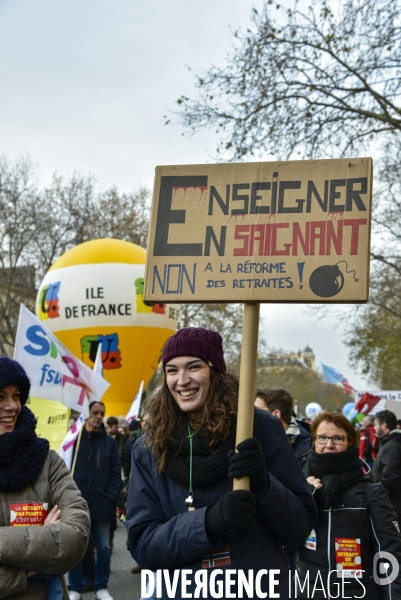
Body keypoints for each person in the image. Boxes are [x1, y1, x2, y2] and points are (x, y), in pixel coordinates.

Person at [126, 327, 317, 599]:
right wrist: (208, 522)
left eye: (193, 367)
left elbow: (299, 530)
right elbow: (143, 545)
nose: (182, 380)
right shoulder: (147, 447)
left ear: (215, 372)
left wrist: (264, 484)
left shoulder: (259, 428)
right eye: (171, 370)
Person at [0, 356, 90, 600]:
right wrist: (36, 561)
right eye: (1, 397)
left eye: (16, 395)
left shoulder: (47, 461)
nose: (11, 406)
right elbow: (58, 545)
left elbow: (75, 536)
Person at [298, 410, 401, 599]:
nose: (328, 445)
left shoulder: (371, 493)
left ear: (350, 443)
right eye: (322, 438)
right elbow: (286, 544)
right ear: (313, 440)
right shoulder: (301, 487)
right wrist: (306, 499)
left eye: (337, 438)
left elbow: (389, 555)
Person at [68, 401, 121, 600]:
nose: (99, 416)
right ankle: (76, 587)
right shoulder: (75, 440)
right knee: (77, 547)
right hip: (77, 504)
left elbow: (116, 473)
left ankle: (101, 587)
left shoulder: (110, 443)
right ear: (86, 414)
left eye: (102, 413)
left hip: (102, 504)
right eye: (95, 413)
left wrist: (111, 497)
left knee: (104, 547)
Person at [255, 387, 312, 467]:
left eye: (257, 410)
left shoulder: (312, 446)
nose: (253, 414)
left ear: (275, 415)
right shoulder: (252, 438)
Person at [373, 409, 401, 524]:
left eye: (375, 424)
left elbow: (391, 476)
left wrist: (377, 494)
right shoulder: (390, 443)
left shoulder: (391, 446)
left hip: (393, 504)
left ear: (384, 426)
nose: (374, 428)